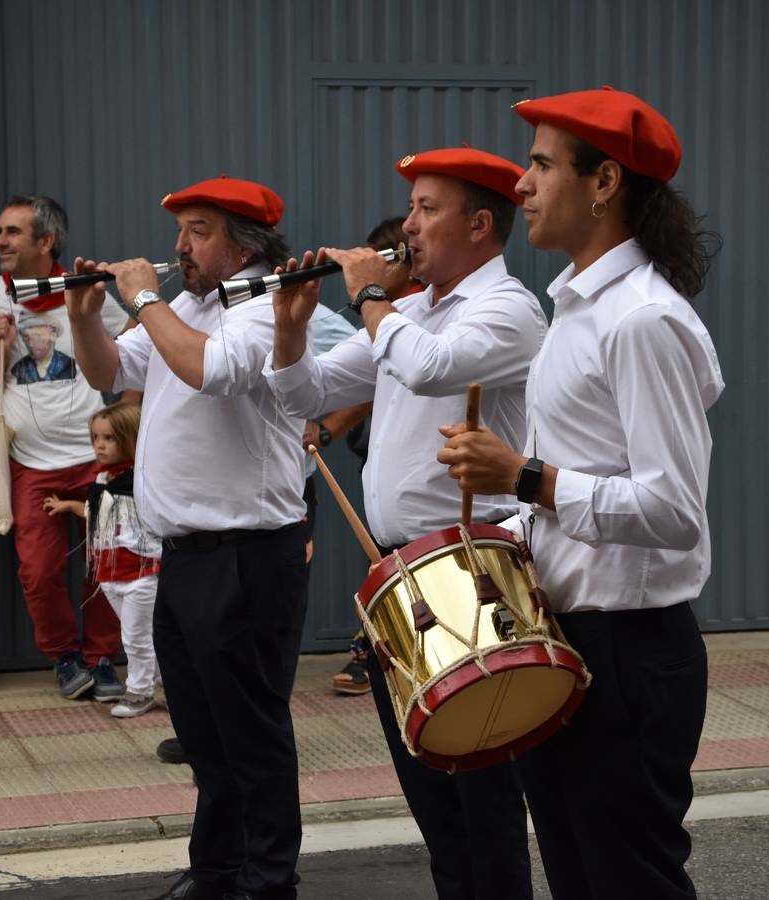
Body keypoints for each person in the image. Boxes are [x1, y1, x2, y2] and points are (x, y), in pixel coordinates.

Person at [437, 87, 724, 900]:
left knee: (627, 881)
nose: (521, 184)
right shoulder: (576, 308)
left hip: (629, 654)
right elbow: (581, 487)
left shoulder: (641, 320)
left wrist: (523, 476)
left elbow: (674, 510)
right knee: (578, 878)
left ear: (604, 183)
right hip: (569, 643)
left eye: (540, 165)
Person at [264, 148, 547, 900]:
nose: (410, 226)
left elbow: (430, 368)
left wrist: (368, 295)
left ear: (479, 225)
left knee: (483, 797)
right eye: (412, 208)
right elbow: (306, 396)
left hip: (471, 563)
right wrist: (291, 328)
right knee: (432, 794)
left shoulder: (507, 307)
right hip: (399, 567)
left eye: (427, 209)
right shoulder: (408, 313)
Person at [64, 176, 308, 900]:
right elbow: (111, 371)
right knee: (204, 736)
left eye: (198, 232)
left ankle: (268, 881)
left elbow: (212, 370)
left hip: (246, 554)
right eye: (180, 231)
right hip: (184, 555)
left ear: (243, 244)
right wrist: (84, 318)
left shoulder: (264, 305)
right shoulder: (191, 307)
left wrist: (144, 298)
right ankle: (218, 871)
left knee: (251, 733)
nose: (179, 247)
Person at [0, 194, 127, 703]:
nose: (0, 241)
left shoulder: (82, 291)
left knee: (106, 561)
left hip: (95, 458)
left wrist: (129, 416)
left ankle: (102, 657)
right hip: (31, 464)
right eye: (0, 231)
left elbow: (137, 348)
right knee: (38, 571)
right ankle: (64, 657)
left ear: (46, 241)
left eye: (13, 232)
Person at [320, 215, 420, 697]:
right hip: (382, 454)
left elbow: (394, 376)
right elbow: (350, 378)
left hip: (420, 467)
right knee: (381, 553)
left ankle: (374, 649)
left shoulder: (409, 313)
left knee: (395, 559)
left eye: (384, 258)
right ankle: (380, 647)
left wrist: (328, 428)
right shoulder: (378, 311)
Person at [42, 402, 161, 718]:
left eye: (109, 438)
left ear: (130, 438)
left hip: (141, 571)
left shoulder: (143, 479)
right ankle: (169, 680)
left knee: (135, 638)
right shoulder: (103, 479)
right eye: (95, 437)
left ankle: (140, 691)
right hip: (110, 574)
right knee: (142, 634)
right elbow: (100, 512)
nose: (99, 445)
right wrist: (69, 506)